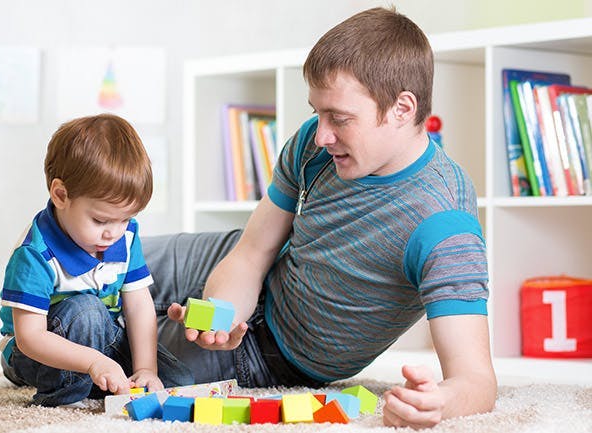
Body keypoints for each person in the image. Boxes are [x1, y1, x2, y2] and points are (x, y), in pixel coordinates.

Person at [145, 6, 497, 429]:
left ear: (403, 108)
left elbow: (476, 380)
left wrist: (439, 402)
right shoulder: (315, 147)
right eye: (318, 111)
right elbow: (254, 251)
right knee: (96, 255)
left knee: (87, 341)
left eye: (340, 119)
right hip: (227, 256)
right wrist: (222, 312)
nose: (322, 134)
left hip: (269, 353)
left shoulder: (444, 223)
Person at [0, 114, 192, 407]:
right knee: (86, 311)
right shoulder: (35, 253)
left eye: (125, 219)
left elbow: (139, 306)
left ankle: (97, 381)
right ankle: (66, 396)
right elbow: (29, 337)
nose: (114, 232)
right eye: (100, 219)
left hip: (101, 335)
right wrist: (93, 362)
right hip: (34, 352)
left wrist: (145, 369)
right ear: (61, 195)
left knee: (178, 383)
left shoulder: (123, 237)